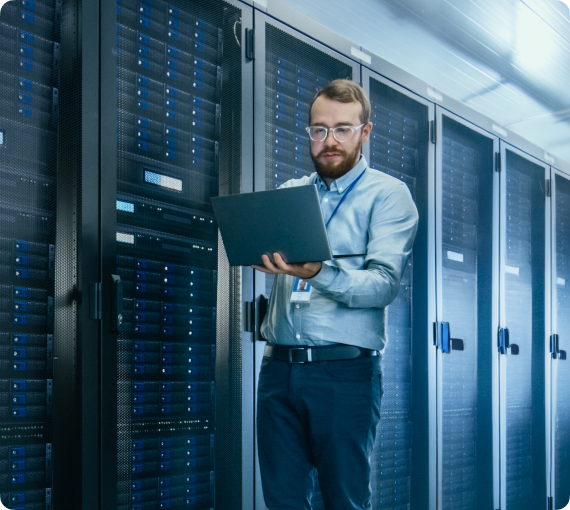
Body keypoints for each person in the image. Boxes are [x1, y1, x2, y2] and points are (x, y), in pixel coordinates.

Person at [252, 79, 418, 510]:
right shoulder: (290, 194)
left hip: (344, 374)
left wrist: (319, 271)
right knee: (282, 502)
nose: (329, 141)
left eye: (342, 129)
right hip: (279, 372)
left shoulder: (388, 195)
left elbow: (382, 285)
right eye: (319, 130)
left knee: (344, 501)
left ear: (365, 132)